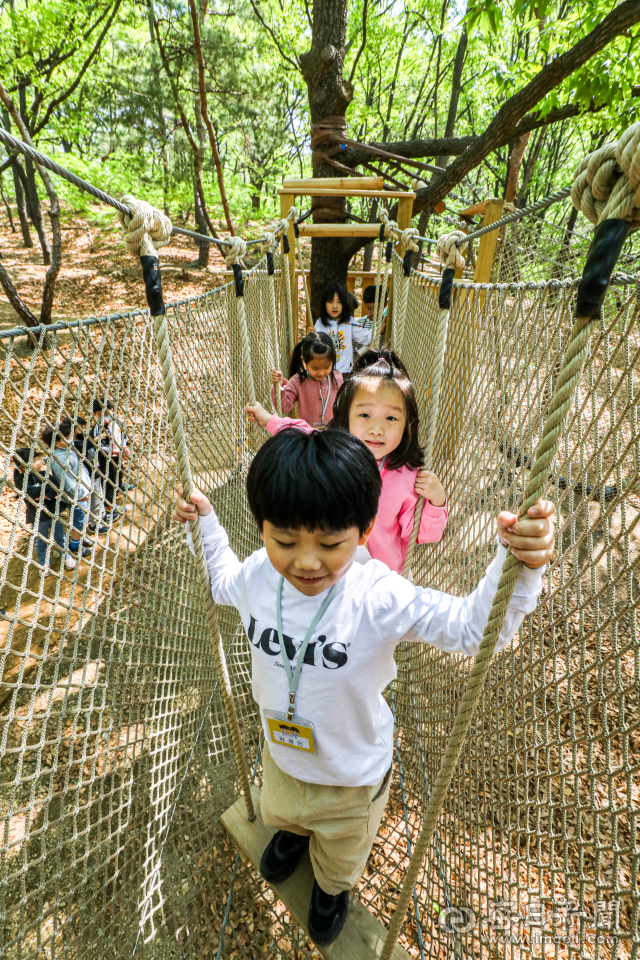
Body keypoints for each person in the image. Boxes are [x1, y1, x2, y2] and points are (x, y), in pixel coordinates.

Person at [173, 427, 555, 946]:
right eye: (285, 540)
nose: (306, 562)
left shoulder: (378, 595)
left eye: (330, 543)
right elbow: (222, 580)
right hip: (281, 757)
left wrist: (522, 565)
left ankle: (331, 890)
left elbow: (471, 628)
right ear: (261, 528)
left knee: (340, 853)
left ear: (365, 528)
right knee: (281, 811)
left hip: (351, 776)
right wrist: (207, 523)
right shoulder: (261, 573)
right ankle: (290, 835)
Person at [248, 359, 448, 575]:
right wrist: (268, 419)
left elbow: (420, 534)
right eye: (364, 415)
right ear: (346, 418)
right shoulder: (338, 452)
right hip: (335, 572)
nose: (376, 429)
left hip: (383, 579)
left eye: (391, 418)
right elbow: (304, 433)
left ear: (407, 424)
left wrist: (436, 502)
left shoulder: (408, 476)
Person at [41, 422, 92, 566]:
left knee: (84, 517)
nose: (71, 439)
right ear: (56, 443)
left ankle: (79, 539)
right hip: (76, 495)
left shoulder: (66, 449)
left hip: (82, 488)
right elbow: (67, 481)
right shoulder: (59, 459)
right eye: (67, 437)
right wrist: (81, 494)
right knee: (79, 519)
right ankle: (75, 547)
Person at [12, 446, 69, 576]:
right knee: (41, 540)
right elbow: (30, 493)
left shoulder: (43, 474)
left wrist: (44, 494)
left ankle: (65, 556)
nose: (38, 462)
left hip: (53, 511)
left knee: (60, 535)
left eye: (37, 458)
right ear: (22, 466)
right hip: (38, 516)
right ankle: (44, 563)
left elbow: (55, 486)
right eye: (33, 460)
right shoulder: (21, 480)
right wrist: (44, 492)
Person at [271, 331, 342, 429]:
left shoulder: (338, 378)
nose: (321, 373)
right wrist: (278, 387)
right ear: (304, 362)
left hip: (331, 436)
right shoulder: (297, 381)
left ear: (333, 360)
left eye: (326, 367)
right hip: (307, 436)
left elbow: (346, 405)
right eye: (315, 368)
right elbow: (283, 407)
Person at [315, 282, 371, 375]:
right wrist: (311, 335)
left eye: (339, 302)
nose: (334, 306)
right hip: (325, 371)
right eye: (330, 302)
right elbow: (314, 344)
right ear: (324, 304)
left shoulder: (349, 322)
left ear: (343, 304)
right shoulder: (320, 323)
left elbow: (364, 337)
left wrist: (379, 330)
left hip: (345, 371)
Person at [90, 399, 130, 523]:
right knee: (108, 482)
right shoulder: (98, 428)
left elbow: (124, 435)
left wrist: (124, 446)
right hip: (105, 460)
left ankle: (119, 485)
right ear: (94, 416)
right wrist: (116, 452)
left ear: (112, 411)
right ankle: (109, 508)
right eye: (99, 415)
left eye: (107, 413)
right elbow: (98, 446)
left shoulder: (117, 421)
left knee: (119, 473)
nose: (104, 417)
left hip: (117, 457)